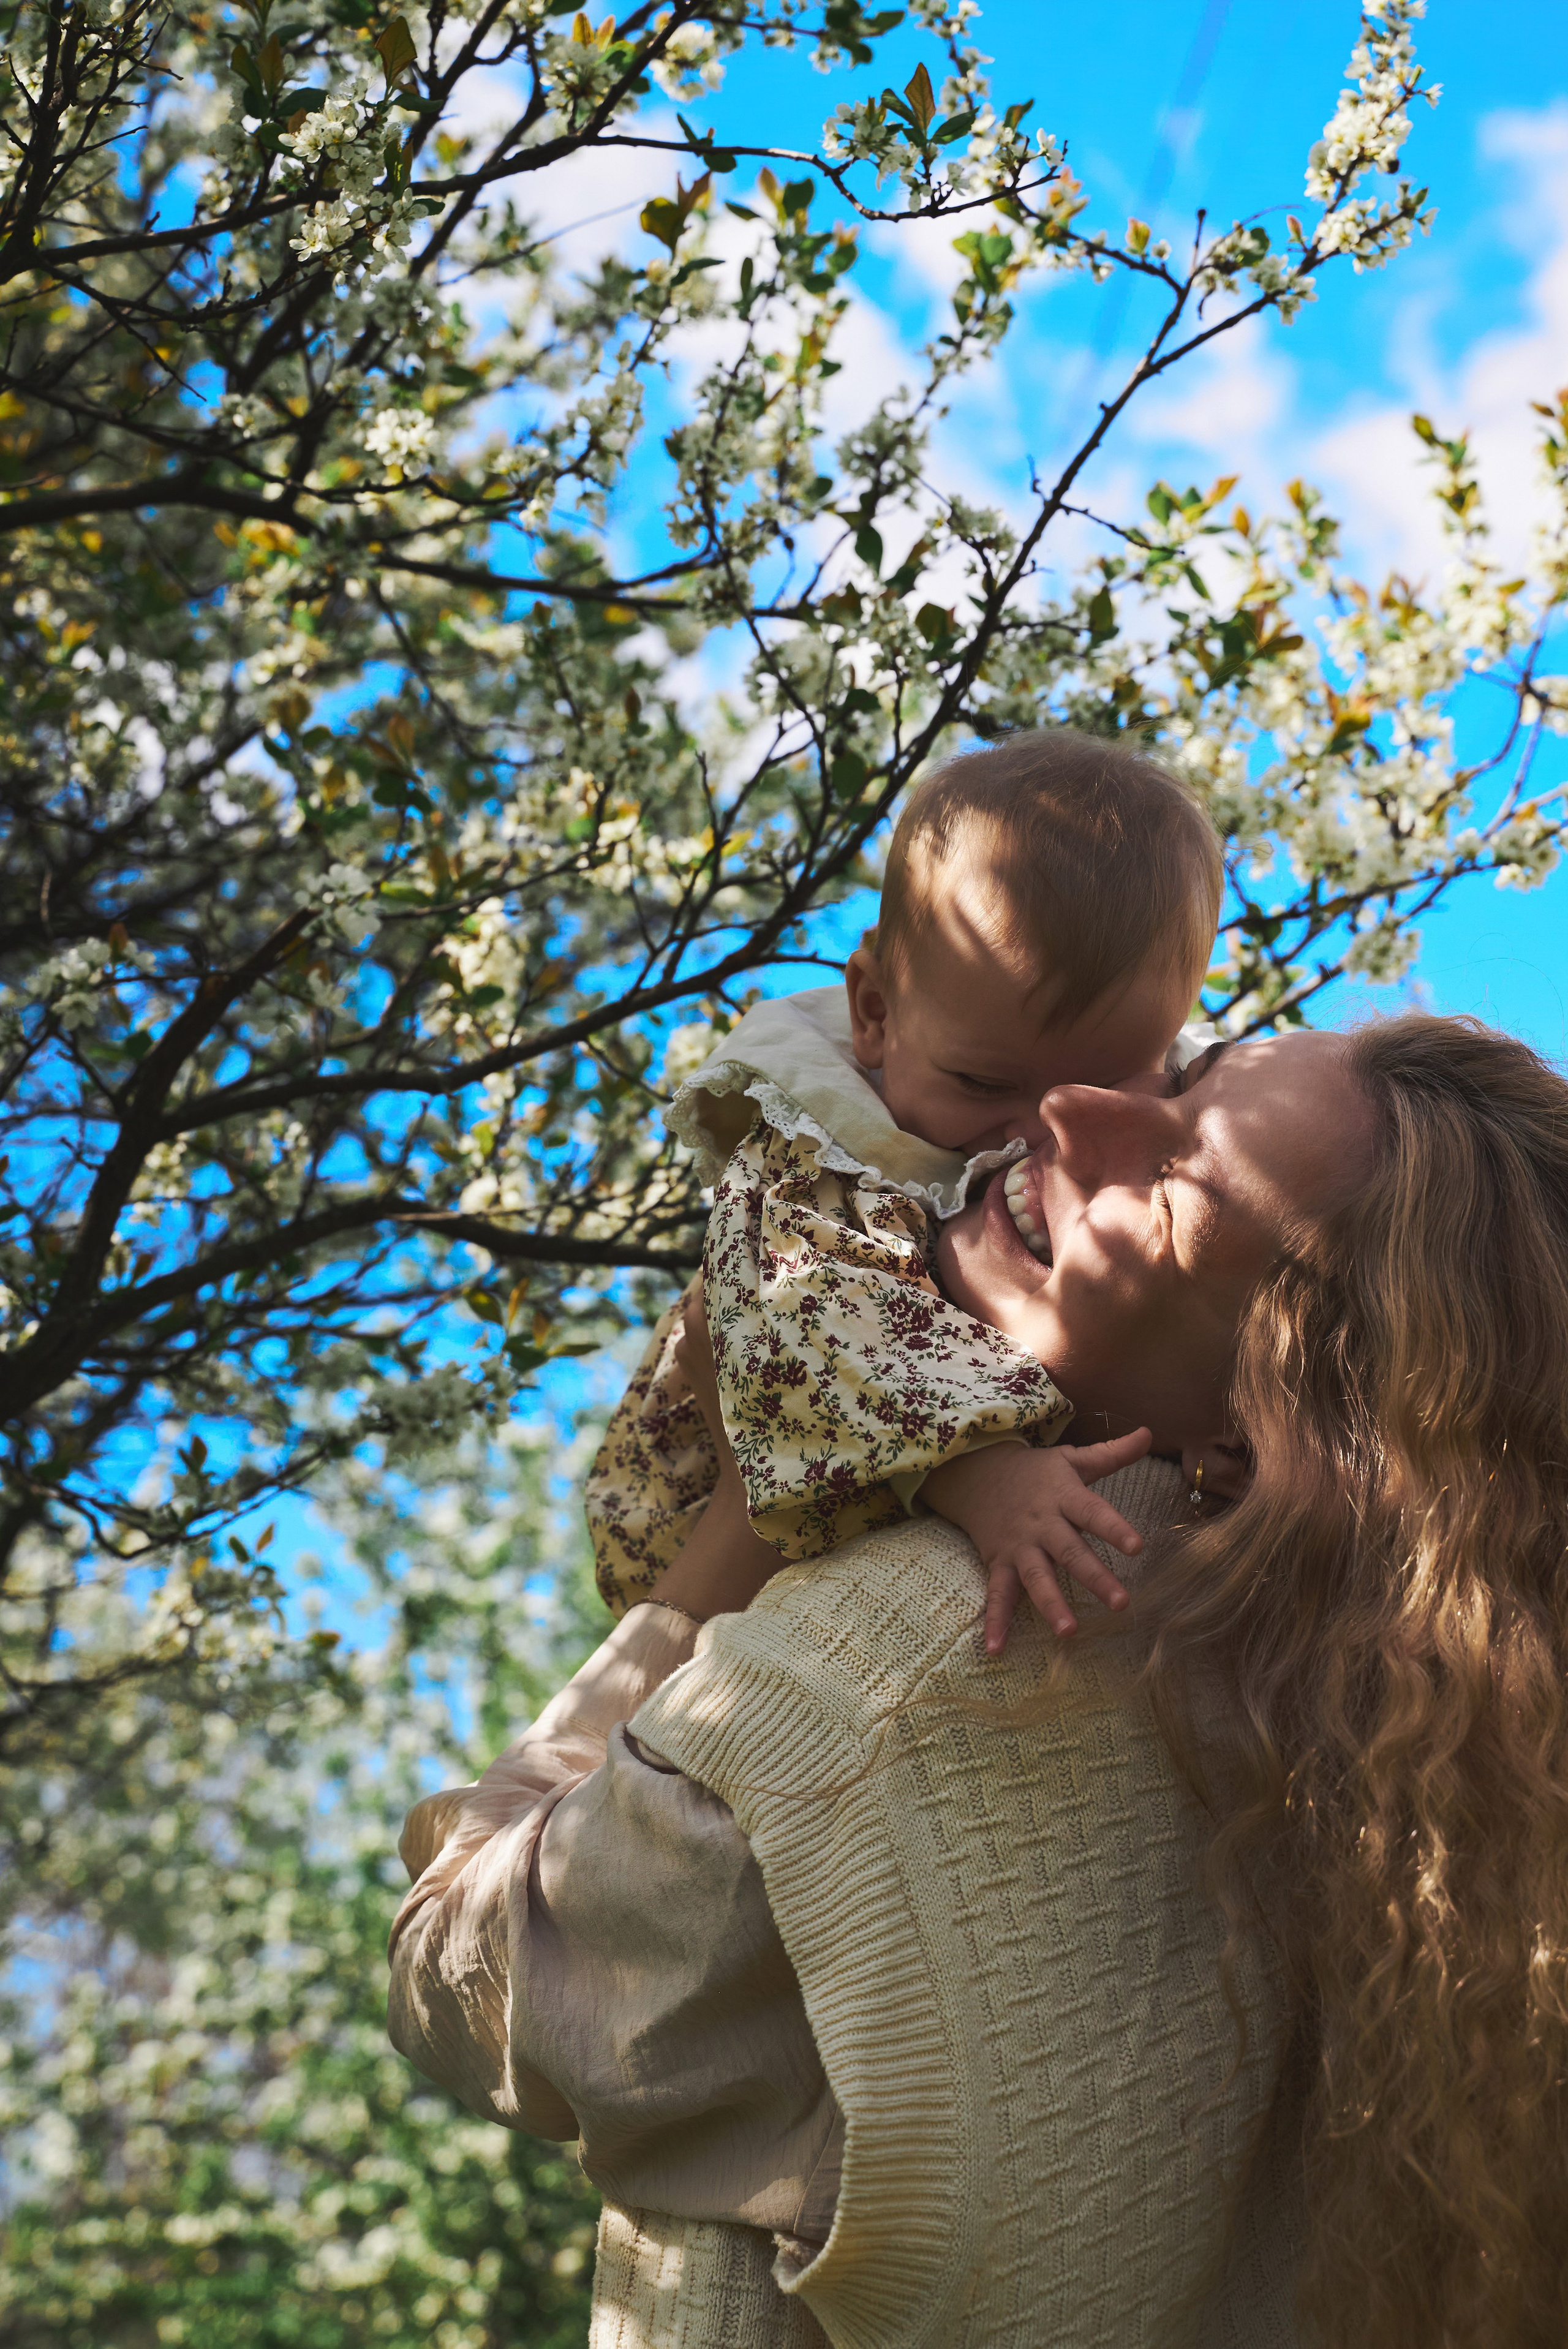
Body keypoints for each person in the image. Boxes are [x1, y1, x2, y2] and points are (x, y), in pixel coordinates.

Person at [390, 1014, 1568, 2349]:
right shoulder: (1452, 1766)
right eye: (1179, 1079)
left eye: (1172, 1182)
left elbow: (459, 1979)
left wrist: (736, 1521)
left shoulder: (871, 1669)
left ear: (1276, 1427)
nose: (1070, 1109)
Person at [587, 728, 1225, 1651]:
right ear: (876, 1013)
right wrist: (978, 1472)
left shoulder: (1156, 1099)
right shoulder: (818, 1141)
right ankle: (547, 1768)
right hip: (712, 1516)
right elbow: (813, 1334)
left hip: (880, 1523)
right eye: (981, 1085)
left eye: (1107, 1092)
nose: (1036, 1132)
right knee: (641, 1701)